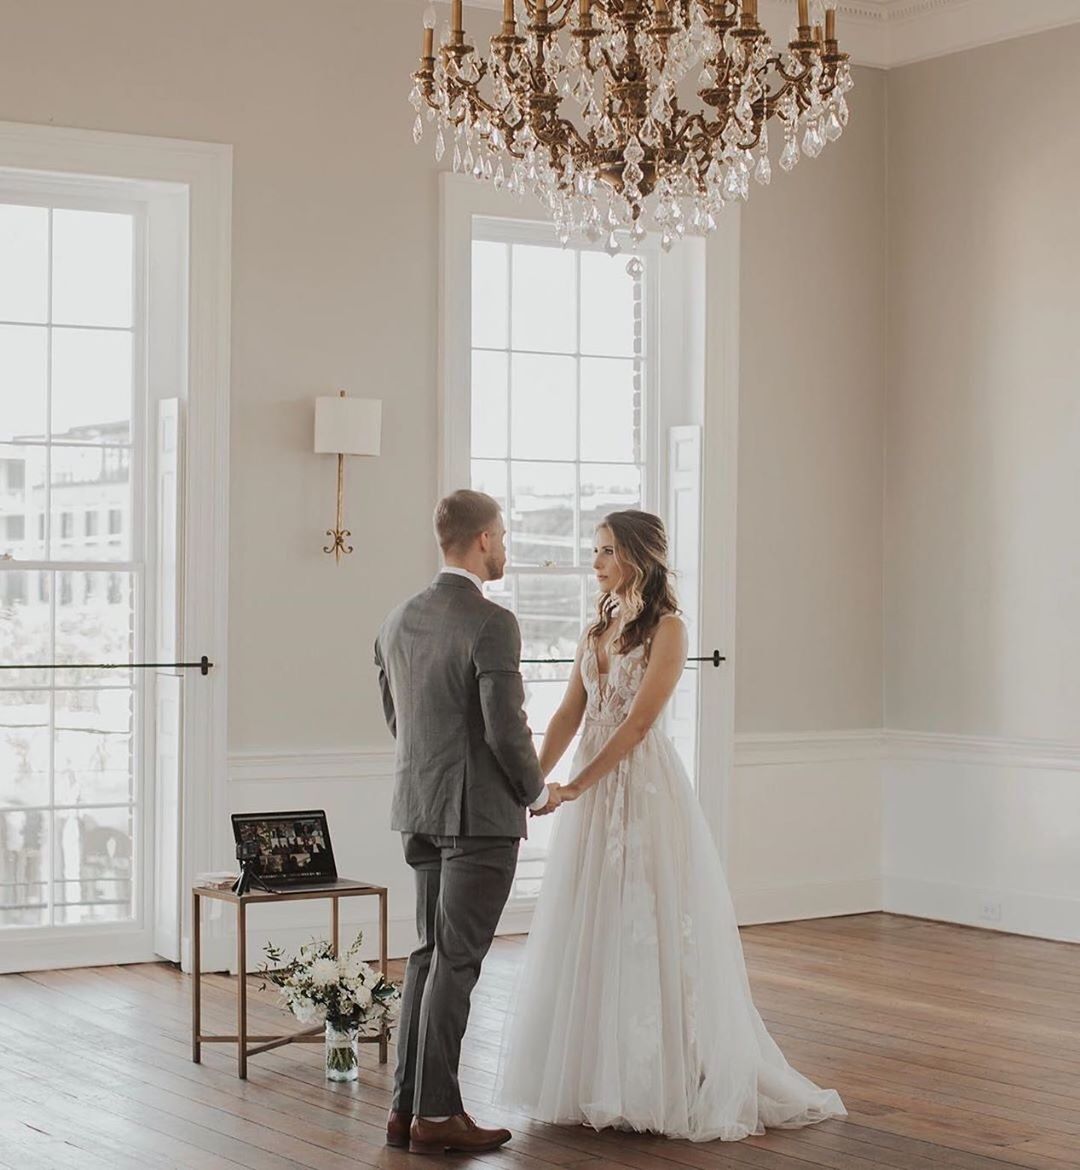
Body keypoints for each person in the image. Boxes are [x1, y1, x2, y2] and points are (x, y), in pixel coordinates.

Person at [496, 510, 846, 1142]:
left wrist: (575, 785)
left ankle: (658, 1074)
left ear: (639, 556)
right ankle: (591, 1075)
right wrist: (529, 785)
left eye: (606, 551)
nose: (595, 562)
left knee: (646, 920)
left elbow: (635, 727)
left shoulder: (669, 629)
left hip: (640, 787)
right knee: (592, 919)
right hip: (593, 790)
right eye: (594, 550)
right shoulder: (596, 627)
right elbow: (566, 719)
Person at [375, 489, 561, 1156]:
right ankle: (436, 1116)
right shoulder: (491, 621)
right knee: (456, 963)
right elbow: (504, 728)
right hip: (478, 818)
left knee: (427, 957)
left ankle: (405, 1111)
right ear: (482, 539)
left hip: (418, 809)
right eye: (503, 535)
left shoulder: (397, 619)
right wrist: (535, 791)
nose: (505, 546)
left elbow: (398, 719)